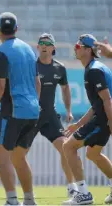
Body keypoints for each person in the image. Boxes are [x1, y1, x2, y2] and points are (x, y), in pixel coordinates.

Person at [0, 33, 77, 198]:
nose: (44, 45)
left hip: (49, 116)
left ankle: (72, 186)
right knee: (17, 155)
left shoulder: (59, 68)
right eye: (41, 42)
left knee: (65, 147)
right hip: (32, 115)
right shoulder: (31, 65)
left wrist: (68, 110)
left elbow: (65, 88)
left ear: (54, 47)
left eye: (48, 43)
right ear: (37, 47)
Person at [0, 12, 41, 205]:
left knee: (0, 155)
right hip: (32, 110)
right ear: (16, 29)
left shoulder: (1, 52)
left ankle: (12, 200)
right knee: (19, 157)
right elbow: (37, 83)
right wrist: (33, 103)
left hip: (13, 111)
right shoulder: (29, 50)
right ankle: (29, 200)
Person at [63, 34, 112, 205]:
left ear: (88, 50)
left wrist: (111, 123)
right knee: (93, 153)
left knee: (68, 146)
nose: (75, 48)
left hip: (104, 119)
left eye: (79, 45)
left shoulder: (94, 71)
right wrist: (79, 124)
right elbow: (97, 104)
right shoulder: (93, 68)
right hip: (102, 117)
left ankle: (83, 194)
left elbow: (107, 100)